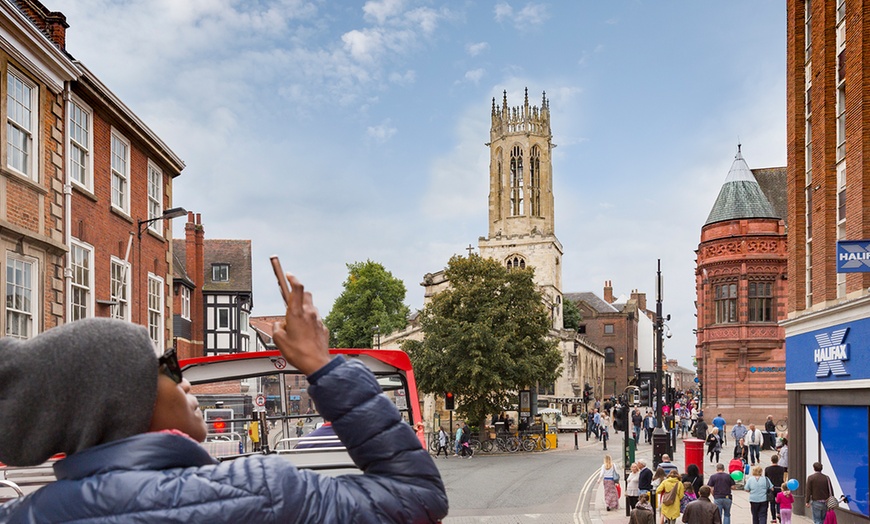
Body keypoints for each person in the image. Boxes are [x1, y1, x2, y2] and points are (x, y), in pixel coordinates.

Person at [0, 275, 449, 522]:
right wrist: (321, 363)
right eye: (169, 368)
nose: (188, 383)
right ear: (121, 401)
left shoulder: (25, 514)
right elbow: (415, 495)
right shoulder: (261, 492)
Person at [765, 454, 787, 523]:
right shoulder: (781, 468)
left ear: (771, 460)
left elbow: (766, 479)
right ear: (778, 460)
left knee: (772, 503)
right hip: (779, 487)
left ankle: (774, 518)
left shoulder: (767, 469)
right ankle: (778, 512)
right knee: (779, 502)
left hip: (771, 488)